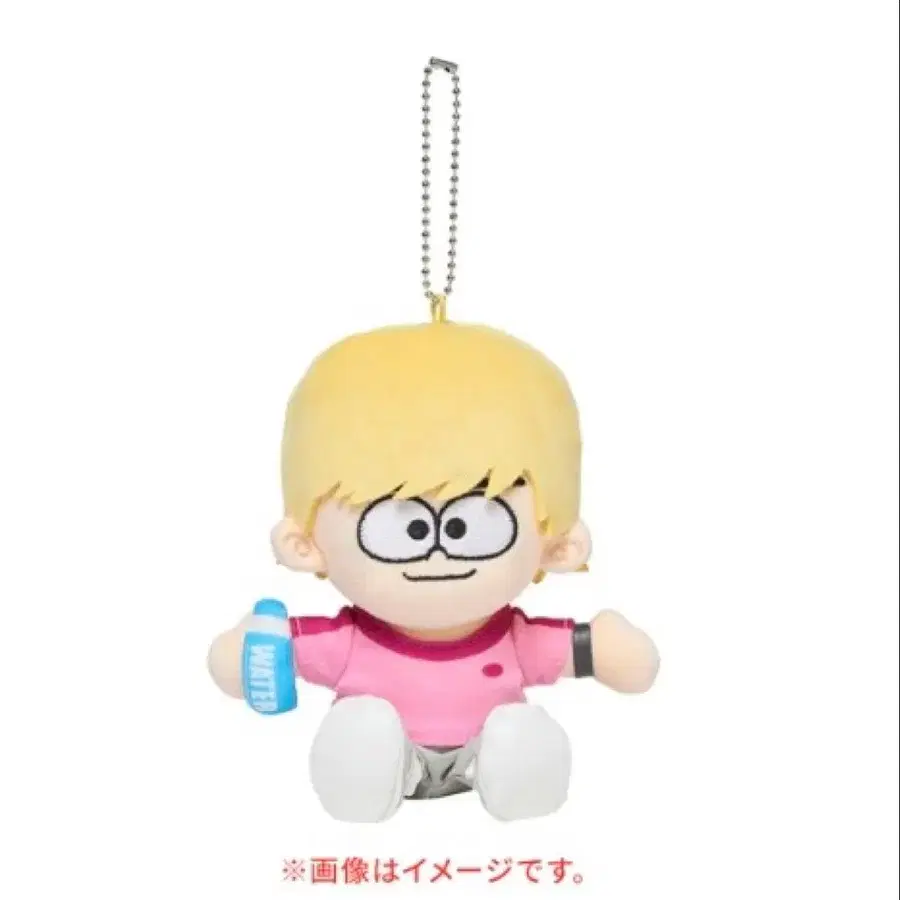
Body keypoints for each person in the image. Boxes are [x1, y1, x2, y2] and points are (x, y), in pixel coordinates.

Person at [207, 321, 659, 822]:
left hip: (485, 754)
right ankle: (365, 776)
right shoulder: (349, 642)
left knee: (517, 731)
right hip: (387, 758)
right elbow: (259, 659)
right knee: (363, 727)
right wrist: (252, 649)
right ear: (305, 545)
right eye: (401, 525)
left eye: (476, 522)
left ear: (558, 545)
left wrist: (602, 647)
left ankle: (519, 776)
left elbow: (590, 654)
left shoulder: (512, 638)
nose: (438, 551)